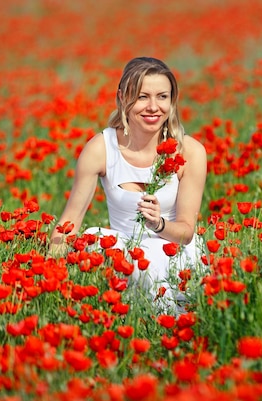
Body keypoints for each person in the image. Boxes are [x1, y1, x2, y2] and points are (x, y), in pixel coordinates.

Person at [49, 57, 207, 312]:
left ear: (172, 101)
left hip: (173, 255)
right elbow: (70, 222)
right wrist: (48, 279)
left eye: (162, 97)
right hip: (123, 256)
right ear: (123, 98)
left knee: (146, 266)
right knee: (94, 239)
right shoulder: (101, 148)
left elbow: (187, 232)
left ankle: (165, 316)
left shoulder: (191, 151)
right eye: (143, 97)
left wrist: (159, 224)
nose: (153, 107)